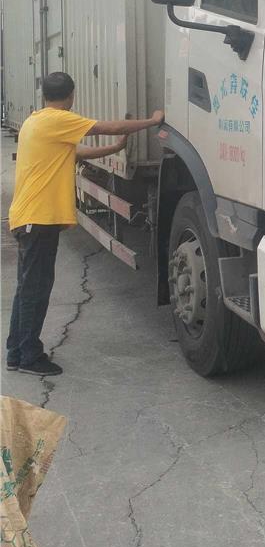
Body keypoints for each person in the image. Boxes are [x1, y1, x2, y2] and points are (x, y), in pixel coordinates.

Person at [6, 72, 164, 377]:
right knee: (35, 290)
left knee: (27, 289)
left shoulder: (36, 121)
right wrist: (153, 120)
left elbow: (76, 153)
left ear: (44, 95)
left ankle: (17, 352)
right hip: (39, 219)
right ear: (71, 96)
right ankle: (29, 356)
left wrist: (114, 149)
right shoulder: (58, 119)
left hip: (30, 218)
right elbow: (108, 127)